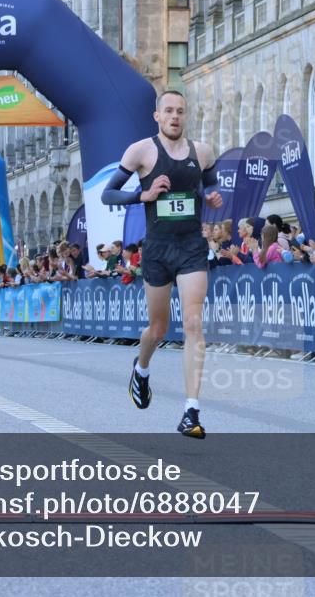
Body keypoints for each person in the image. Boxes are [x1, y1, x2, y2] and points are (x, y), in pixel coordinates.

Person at [100, 89, 223, 438]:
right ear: (157, 116)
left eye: (180, 111)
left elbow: (211, 191)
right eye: (168, 111)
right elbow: (108, 194)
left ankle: (191, 411)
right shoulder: (141, 151)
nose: (174, 117)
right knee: (157, 329)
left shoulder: (203, 152)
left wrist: (213, 198)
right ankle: (141, 368)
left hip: (191, 248)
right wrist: (145, 195)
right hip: (156, 249)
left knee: (194, 325)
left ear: (186, 115)